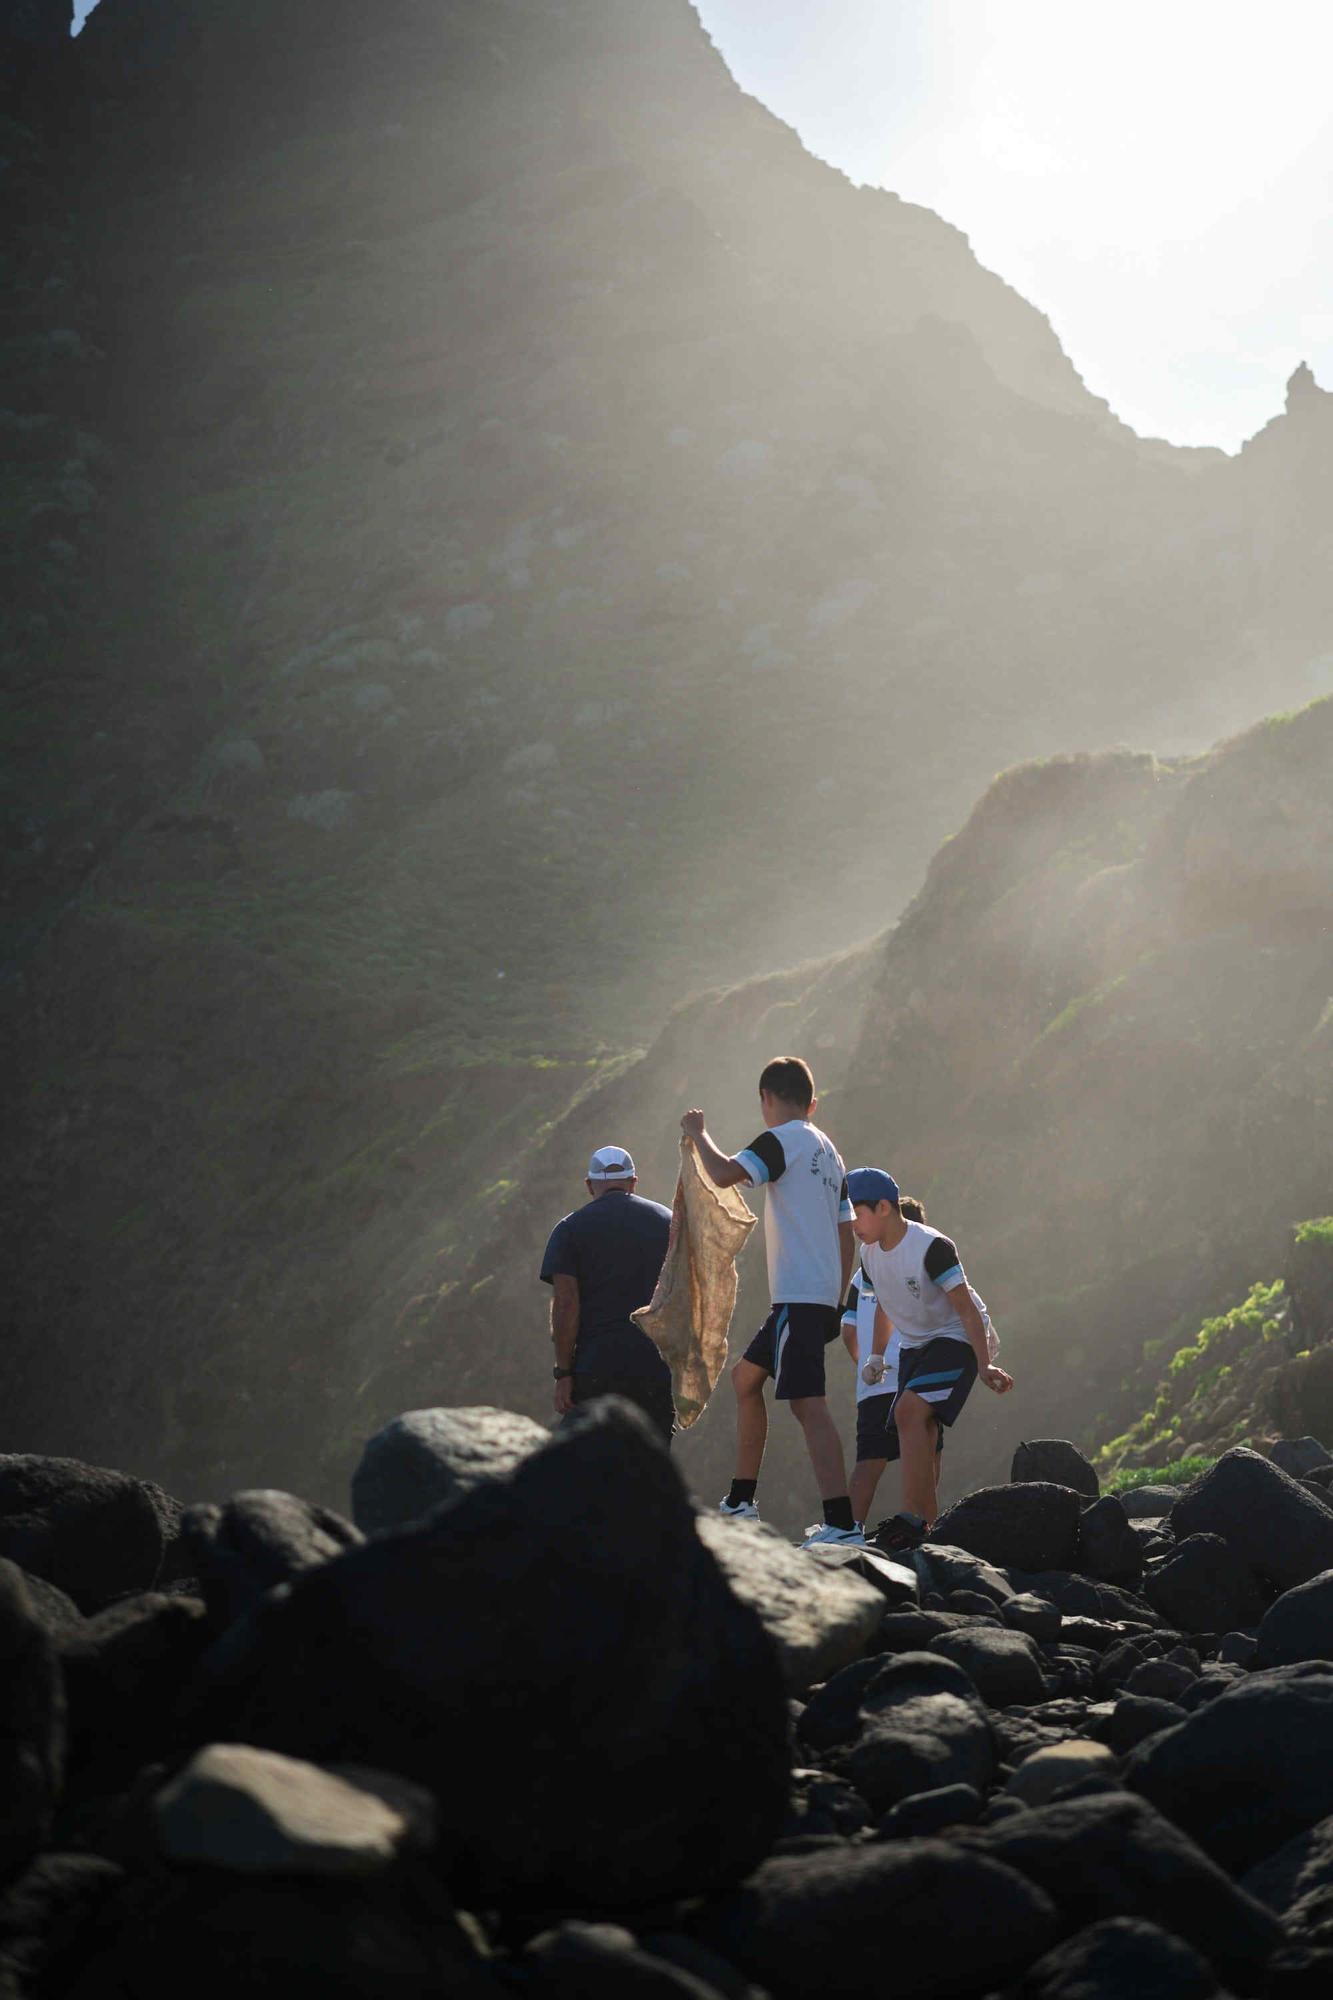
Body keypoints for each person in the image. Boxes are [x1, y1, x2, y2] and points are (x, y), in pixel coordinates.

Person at [680, 1056, 860, 1546]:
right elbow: (848, 1233)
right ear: (812, 1102)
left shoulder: (782, 1140)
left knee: (808, 1405)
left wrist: (698, 1134)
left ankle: (842, 1524)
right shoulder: (829, 1151)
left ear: (767, 1099)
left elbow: (722, 1175)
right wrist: (837, 1298)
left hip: (799, 1296)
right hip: (815, 1297)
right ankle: (740, 1501)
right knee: (745, 1379)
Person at [847, 1166, 1013, 1548]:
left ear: (884, 1207)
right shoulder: (869, 1254)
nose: (851, 1222)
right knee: (922, 1430)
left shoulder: (932, 1247)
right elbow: (885, 1304)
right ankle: (929, 1527)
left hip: (954, 1337)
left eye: (857, 1212)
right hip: (913, 1344)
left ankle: (910, 1518)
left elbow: (967, 1308)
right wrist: (874, 1355)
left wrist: (984, 1361)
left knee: (907, 1413)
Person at [538, 1145, 674, 1444]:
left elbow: (566, 1305)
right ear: (633, 1181)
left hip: (596, 1368)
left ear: (589, 1185)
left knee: (593, 1471)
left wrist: (563, 1374)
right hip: (655, 1366)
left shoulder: (569, 1230)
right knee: (651, 1467)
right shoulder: (668, 1221)